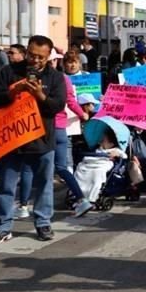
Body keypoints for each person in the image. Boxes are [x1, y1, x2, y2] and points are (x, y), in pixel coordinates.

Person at [0, 35, 67, 245]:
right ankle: (3, 226)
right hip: (12, 140)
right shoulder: (9, 72)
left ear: (48, 56)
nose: (35, 60)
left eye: (40, 57)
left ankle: (43, 222)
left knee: (43, 184)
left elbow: (57, 107)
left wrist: (40, 95)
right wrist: (14, 91)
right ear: (27, 51)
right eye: (32, 55)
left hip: (41, 140)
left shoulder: (56, 77)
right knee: (6, 185)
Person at [56, 51, 94, 216]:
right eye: (68, 62)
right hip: (65, 120)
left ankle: (79, 187)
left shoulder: (87, 78)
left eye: (74, 62)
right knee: (67, 154)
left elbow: (94, 98)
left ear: (79, 63)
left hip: (81, 119)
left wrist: (88, 109)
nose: (71, 65)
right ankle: (73, 187)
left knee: (79, 152)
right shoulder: (60, 78)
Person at [74, 119, 127, 202]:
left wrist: (117, 154)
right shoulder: (97, 149)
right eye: (102, 139)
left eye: (104, 140)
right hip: (90, 164)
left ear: (112, 143)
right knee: (80, 169)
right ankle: (77, 193)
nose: (101, 141)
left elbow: (124, 156)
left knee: (97, 174)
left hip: (102, 165)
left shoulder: (115, 150)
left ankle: (92, 196)